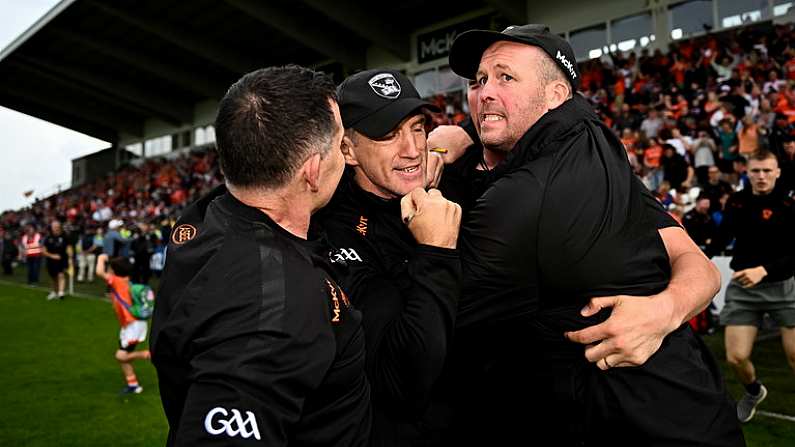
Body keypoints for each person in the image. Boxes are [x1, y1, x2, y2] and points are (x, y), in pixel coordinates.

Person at [435, 24, 743, 445]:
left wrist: (665, 310)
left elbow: (699, 266)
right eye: (479, 81)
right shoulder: (591, 151)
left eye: (505, 77)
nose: (484, 92)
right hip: (622, 407)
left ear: (556, 97)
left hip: (647, 418)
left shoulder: (536, 190)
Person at [150, 65, 370, 446]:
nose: (347, 154)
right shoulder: (274, 308)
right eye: (339, 143)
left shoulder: (208, 217)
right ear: (312, 171)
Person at [312, 69, 462, 446]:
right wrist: (435, 253)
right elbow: (402, 382)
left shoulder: (442, 184)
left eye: (416, 128)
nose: (413, 149)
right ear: (347, 150)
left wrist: (457, 140)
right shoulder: (331, 233)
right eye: (388, 135)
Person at [706, 150, 795, 423]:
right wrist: (696, 258)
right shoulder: (736, 201)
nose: (761, 176)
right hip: (743, 290)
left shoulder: (789, 203)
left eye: (767, 170)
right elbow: (720, 240)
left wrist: (764, 270)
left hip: (783, 288)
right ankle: (754, 391)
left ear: (778, 172)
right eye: (755, 170)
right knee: (736, 357)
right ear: (747, 172)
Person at [95, 253, 151, 394]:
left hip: (133, 326)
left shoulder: (117, 281)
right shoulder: (126, 281)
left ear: (113, 271)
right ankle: (133, 385)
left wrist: (102, 257)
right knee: (124, 358)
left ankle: (148, 354)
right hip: (130, 325)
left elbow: (99, 272)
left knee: (121, 355)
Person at [42, 220, 69, 300]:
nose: (56, 228)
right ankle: (54, 292)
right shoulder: (48, 237)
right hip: (51, 261)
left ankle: (61, 293)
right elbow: (43, 251)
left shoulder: (64, 236)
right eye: (54, 226)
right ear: (51, 227)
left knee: (61, 275)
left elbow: (69, 247)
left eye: (57, 226)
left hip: (62, 260)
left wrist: (70, 257)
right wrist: (52, 256)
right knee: (53, 277)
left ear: (59, 227)